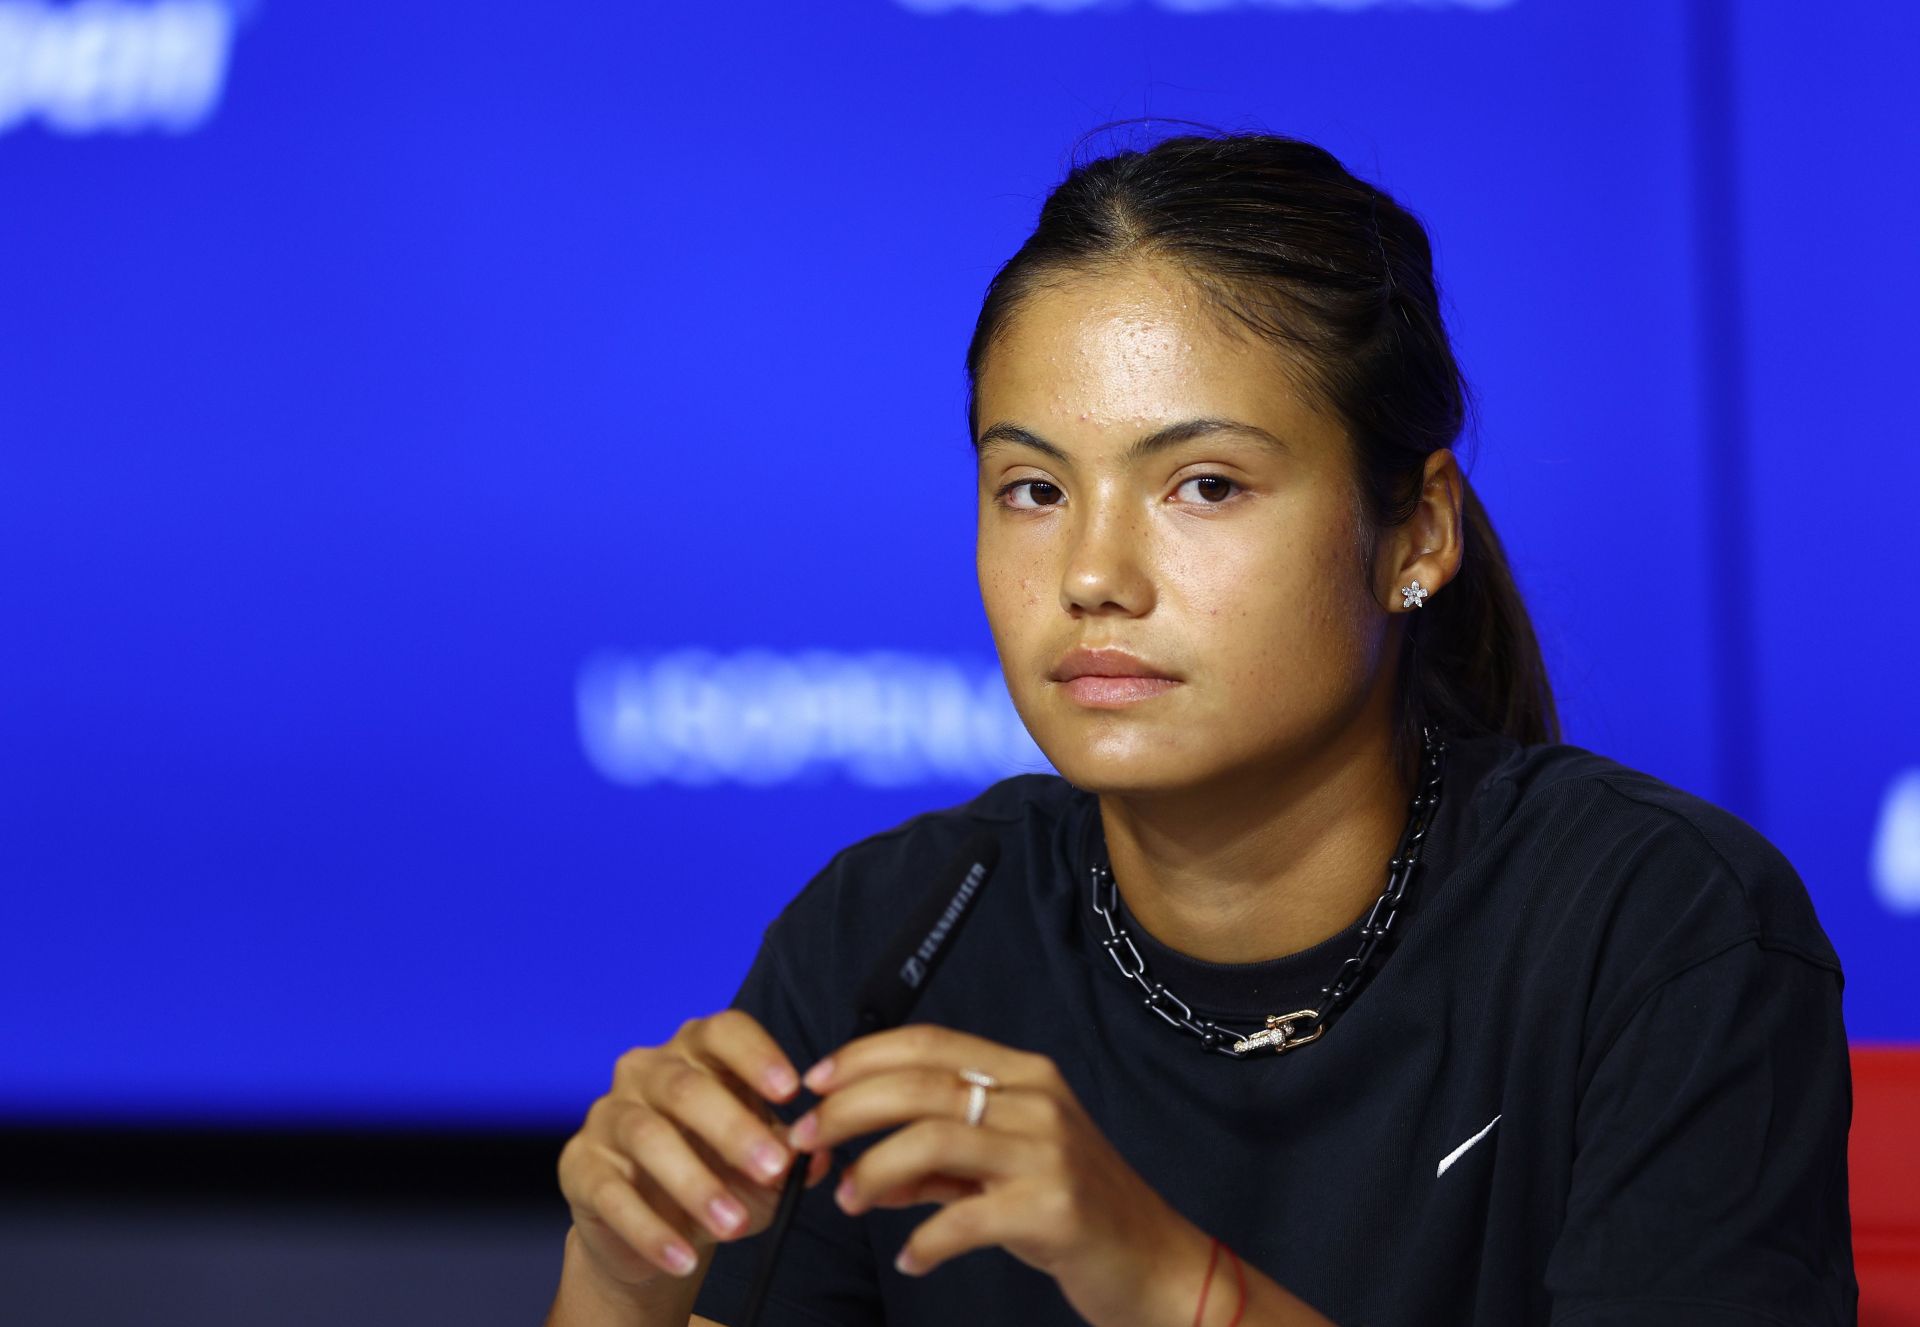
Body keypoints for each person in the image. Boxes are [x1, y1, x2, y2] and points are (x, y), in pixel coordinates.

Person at [542, 127, 1856, 1327]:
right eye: (1034, 487)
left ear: (1416, 530)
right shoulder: (898, 930)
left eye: (1204, 484)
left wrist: (1166, 1279)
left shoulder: (1658, 929)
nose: (1094, 573)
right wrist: (625, 1277)